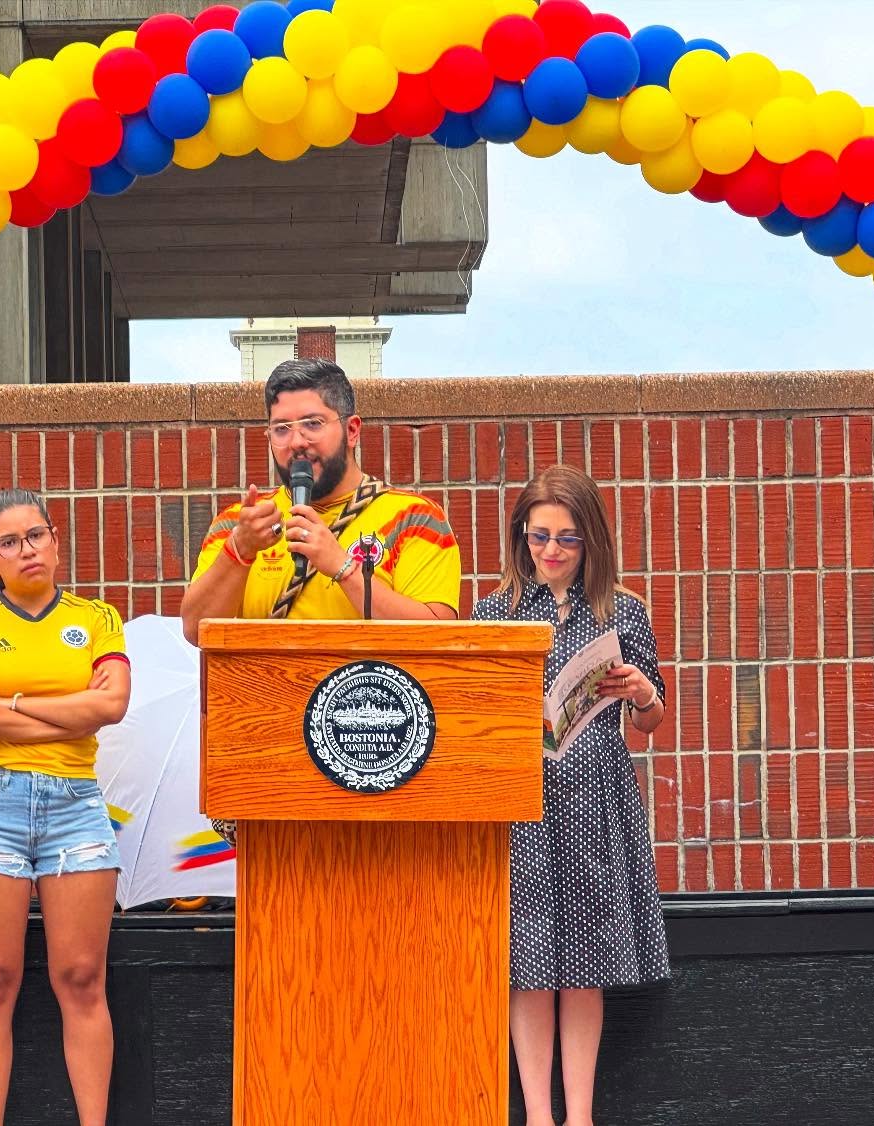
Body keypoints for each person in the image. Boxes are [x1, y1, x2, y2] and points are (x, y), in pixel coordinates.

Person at [471, 464, 669, 1126]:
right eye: (537, 538)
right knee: (527, 960)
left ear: (592, 542)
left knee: (585, 957)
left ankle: (578, 1115)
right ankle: (536, 1114)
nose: (550, 552)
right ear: (520, 537)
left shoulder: (623, 611)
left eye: (566, 540)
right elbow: (473, 710)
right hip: (521, 798)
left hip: (594, 794)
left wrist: (642, 694)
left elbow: (649, 721)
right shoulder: (494, 612)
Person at [0, 488, 130, 1126]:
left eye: (37, 535)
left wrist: (12, 706)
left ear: (55, 539)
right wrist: (67, 715)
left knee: (81, 978)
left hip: (76, 805)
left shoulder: (98, 617)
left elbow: (111, 707)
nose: (27, 550)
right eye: (9, 543)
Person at [180, 357, 462, 640]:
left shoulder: (414, 518)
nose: (297, 442)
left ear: (352, 431)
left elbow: (439, 637)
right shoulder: (240, 522)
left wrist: (342, 567)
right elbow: (195, 632)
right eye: (281, 429)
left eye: (312, 424)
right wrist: (238, 550)